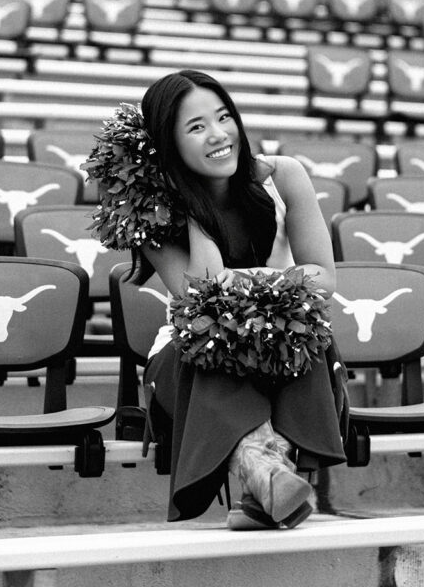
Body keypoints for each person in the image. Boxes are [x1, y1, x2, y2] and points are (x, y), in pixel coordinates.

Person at [133, 68, 347, 531]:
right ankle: (266, 476)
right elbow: (201, 297)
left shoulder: (284, 175)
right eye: (196, 127)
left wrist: (248, 285)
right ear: (168, 146)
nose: (218, 135)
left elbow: (324, 278)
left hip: (285, 331)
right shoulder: (150, 209)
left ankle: (262, 484)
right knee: (214, 345)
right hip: (188, 352)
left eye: (224, 117)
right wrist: (193, 210)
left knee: (294, 334)